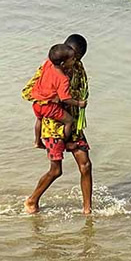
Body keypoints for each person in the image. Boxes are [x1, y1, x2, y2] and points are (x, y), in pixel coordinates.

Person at [23, 34, 93, 215]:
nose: (74, 61)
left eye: (77, 58)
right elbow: (28, 91)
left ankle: (87, 210)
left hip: (74, 123)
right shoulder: (48, 66)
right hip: (54, 125)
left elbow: (82, 90)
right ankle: (32, 200)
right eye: (72, 57)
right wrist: (54, 99)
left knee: (85, 165)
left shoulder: (78, 67)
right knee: (56, 171)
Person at [27, 44, 85, 147]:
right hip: (49, 107)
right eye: (72, 60)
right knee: (69, 121)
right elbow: (65, 98)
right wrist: (79, 103)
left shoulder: (47, 65)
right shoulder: (63, 79)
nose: (74, 61)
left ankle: (37, 141)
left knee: (39, 120)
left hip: (37, 103)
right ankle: (67, 143)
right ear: (63, 63)